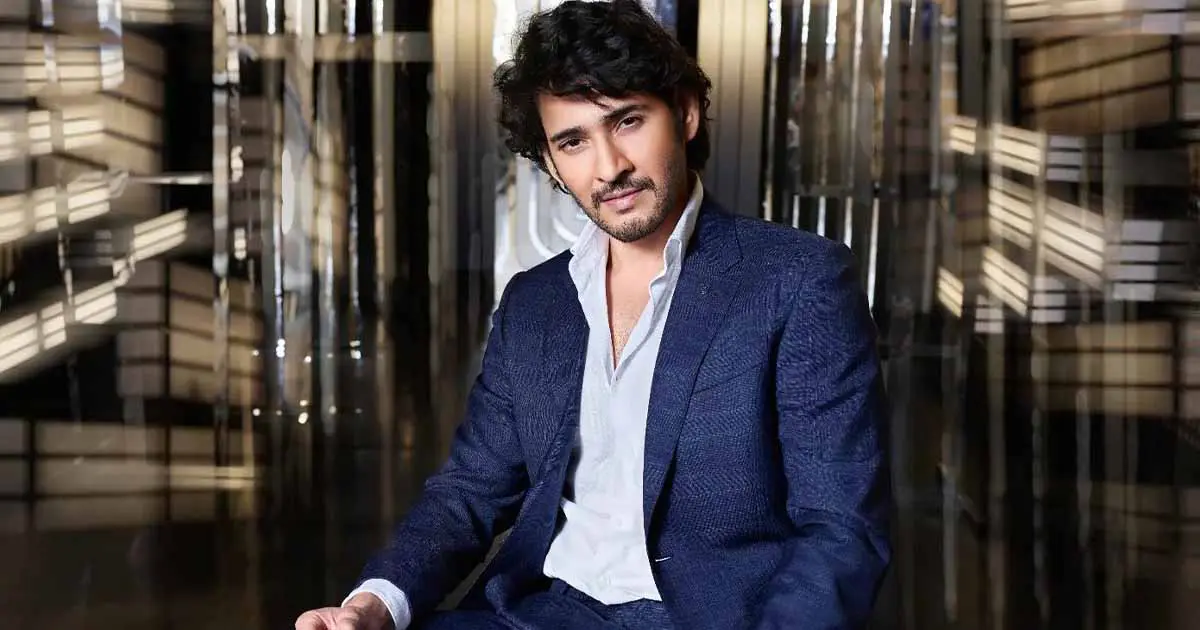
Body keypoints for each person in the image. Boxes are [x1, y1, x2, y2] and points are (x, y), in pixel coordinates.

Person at [295, 1, 890, 628]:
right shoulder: (535, 303)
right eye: (573, 141)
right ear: (551, 162)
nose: (609, 168)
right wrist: (372, 605)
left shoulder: (797, 280)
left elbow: (842, 530)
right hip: (539, 612)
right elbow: (469, 491)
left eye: (627, 121)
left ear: (686, 112)